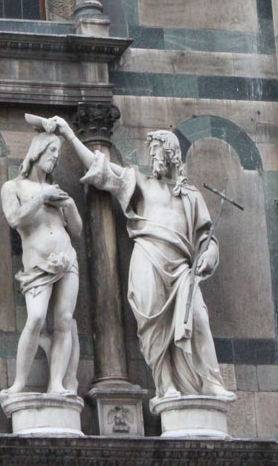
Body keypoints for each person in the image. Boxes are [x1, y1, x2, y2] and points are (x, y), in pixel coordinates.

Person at [48, 117, 232, 400]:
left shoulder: (191, 196)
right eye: (152, 152)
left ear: (171, 154)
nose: (153, 157)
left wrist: (210, 253)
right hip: (148, 258)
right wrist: (69, 134)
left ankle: (210, 381)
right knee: (153, 327)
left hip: (182, 268)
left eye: (157, 151)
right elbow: (100, 166)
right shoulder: (142, 184)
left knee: (197, 317)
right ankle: (167, 386)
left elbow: (206, 236)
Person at [0, 131, 82, 398]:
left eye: (58, 153)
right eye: (52, 151)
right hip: (37, 264)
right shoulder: (13, 187)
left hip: (67, 258)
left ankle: (56, 383)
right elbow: (15, 218)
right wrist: (41, 197)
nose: (55, 157)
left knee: (64, 320)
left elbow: (77, 230)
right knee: (36, 318)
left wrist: (70, 205)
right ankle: (19, 383)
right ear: (37, 152)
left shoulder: (56, 190)